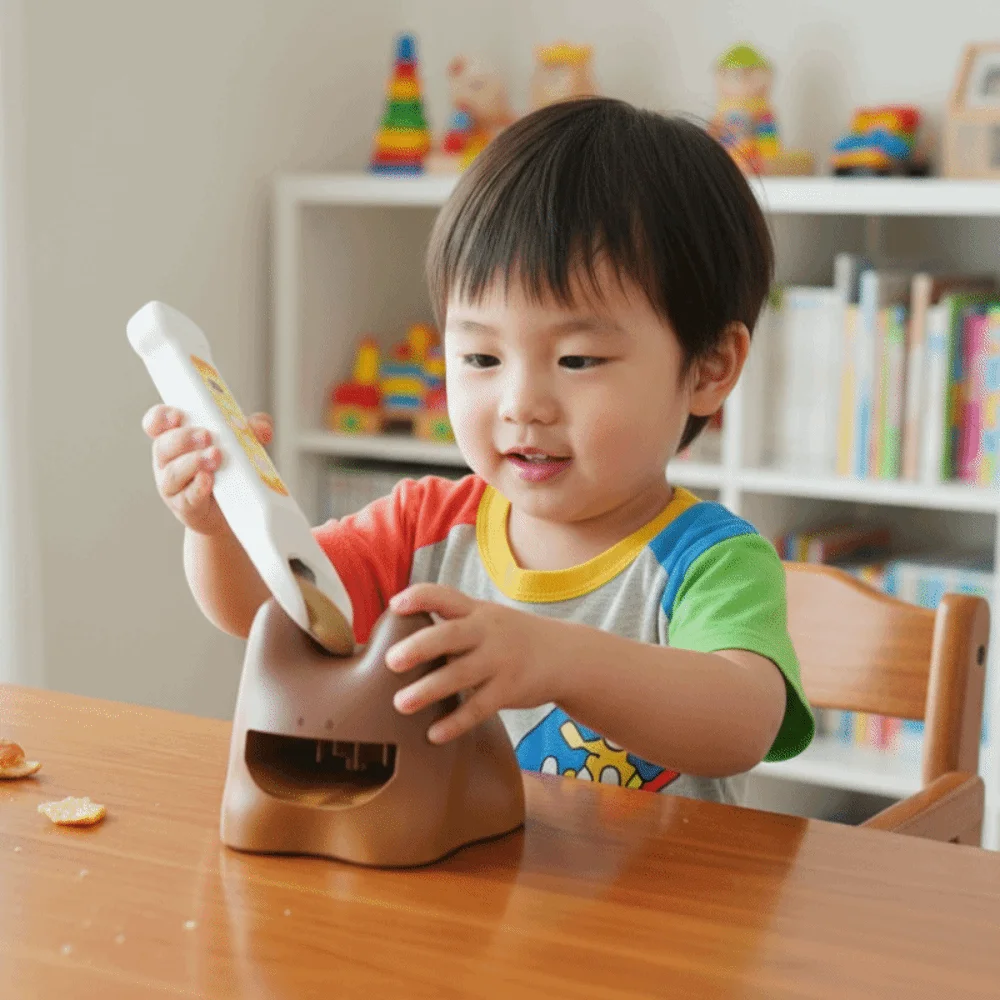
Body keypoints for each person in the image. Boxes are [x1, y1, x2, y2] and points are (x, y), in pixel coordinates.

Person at [142, 97, 813, 804]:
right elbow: (272, 610)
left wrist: (557, 659)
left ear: (709, 367)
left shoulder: (709, 563)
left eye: (578, 359)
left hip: (658, 910)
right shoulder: (424, 528)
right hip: (466, 896)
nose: (522, 402)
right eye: (482, 357)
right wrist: (215, 527)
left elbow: (742, 720)